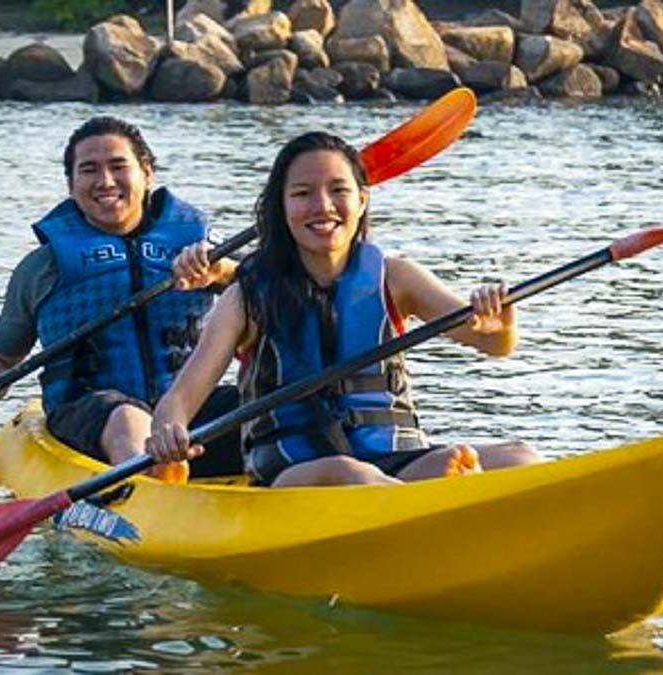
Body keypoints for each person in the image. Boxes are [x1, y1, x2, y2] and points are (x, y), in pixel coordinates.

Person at [147, 131, 538, 486]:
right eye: (302, 194)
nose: (323, 206)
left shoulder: (396, 278)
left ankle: (437, 501)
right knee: (351, 473)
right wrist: (169, 431)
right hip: (294, 471)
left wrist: (499, 323)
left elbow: (494, 344)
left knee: (519, 457)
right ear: (282, 208)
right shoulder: (247, 297)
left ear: (362, 199)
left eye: (338, 190)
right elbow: (179, 401)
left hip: (391, 458)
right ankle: (427, 506)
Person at [0, 116, 242, 478]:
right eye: (89, 170)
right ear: (71, 185)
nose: (105, 181)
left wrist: (224, 273)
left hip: (185, 409)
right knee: (128, 420)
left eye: (118, 166)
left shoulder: (203, 251)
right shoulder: (41, 268)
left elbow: (275, 292)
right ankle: (152, 488)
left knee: (271, 404)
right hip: (90, 412)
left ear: (147, 174)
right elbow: (2, 356)